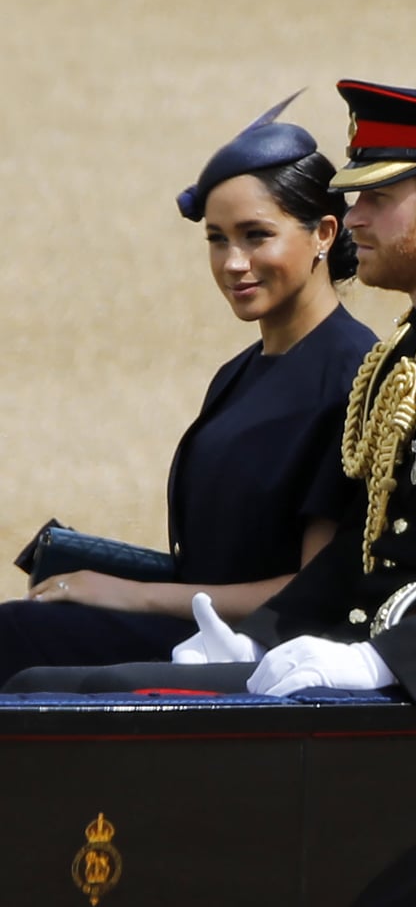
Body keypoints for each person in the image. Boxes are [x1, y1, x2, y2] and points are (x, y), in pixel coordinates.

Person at [5, 78, 416, 701]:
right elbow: (363, 544)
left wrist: (385, 662)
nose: (352, 218)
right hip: (350, 665)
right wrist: (258, 636)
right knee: (40, 677)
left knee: (46, 693)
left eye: (376, 197)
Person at [0, 97, 375, 684]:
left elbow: (314, 591)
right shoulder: (240, 372)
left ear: (324, 233)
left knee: (15, 638)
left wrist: (133, 594)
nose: (233, 262)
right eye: (217, 239)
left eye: (256, 235)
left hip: (258, 659)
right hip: (197, 634)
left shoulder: (354, 374)